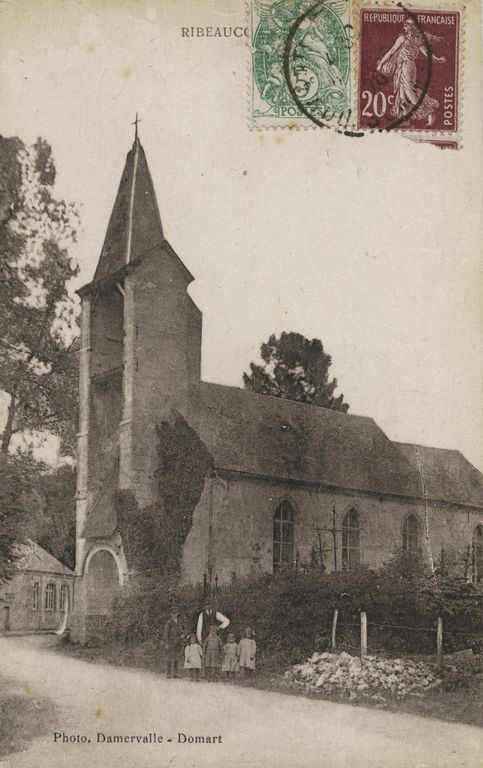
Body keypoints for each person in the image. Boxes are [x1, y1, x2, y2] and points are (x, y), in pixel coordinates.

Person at [376, 17, 446, 126]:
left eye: (407, 25)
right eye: (405, 25)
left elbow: (391, 52)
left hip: (406, 66)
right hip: (408, 66)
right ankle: (405, 118)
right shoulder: (416, 40)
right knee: (403, 91)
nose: (405, 27)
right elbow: (427, 53)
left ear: (411, 27)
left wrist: (380, 64)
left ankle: (428, 112)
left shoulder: (404, 39)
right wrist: (437, 59)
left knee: (408, 90)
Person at [163, 607, 183, 679]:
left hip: (177, 642)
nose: (174, 614)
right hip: (171, 642)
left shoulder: (179, 622)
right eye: (173, 613)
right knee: (169, 658)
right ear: (170, 614)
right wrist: (166, 644)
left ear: (177, 614)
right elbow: (165, 634)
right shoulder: (168, 623)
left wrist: (182, 635)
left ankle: (175, 673)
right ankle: (168, 673)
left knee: (176, 658)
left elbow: (181, 631)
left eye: (175, 613)